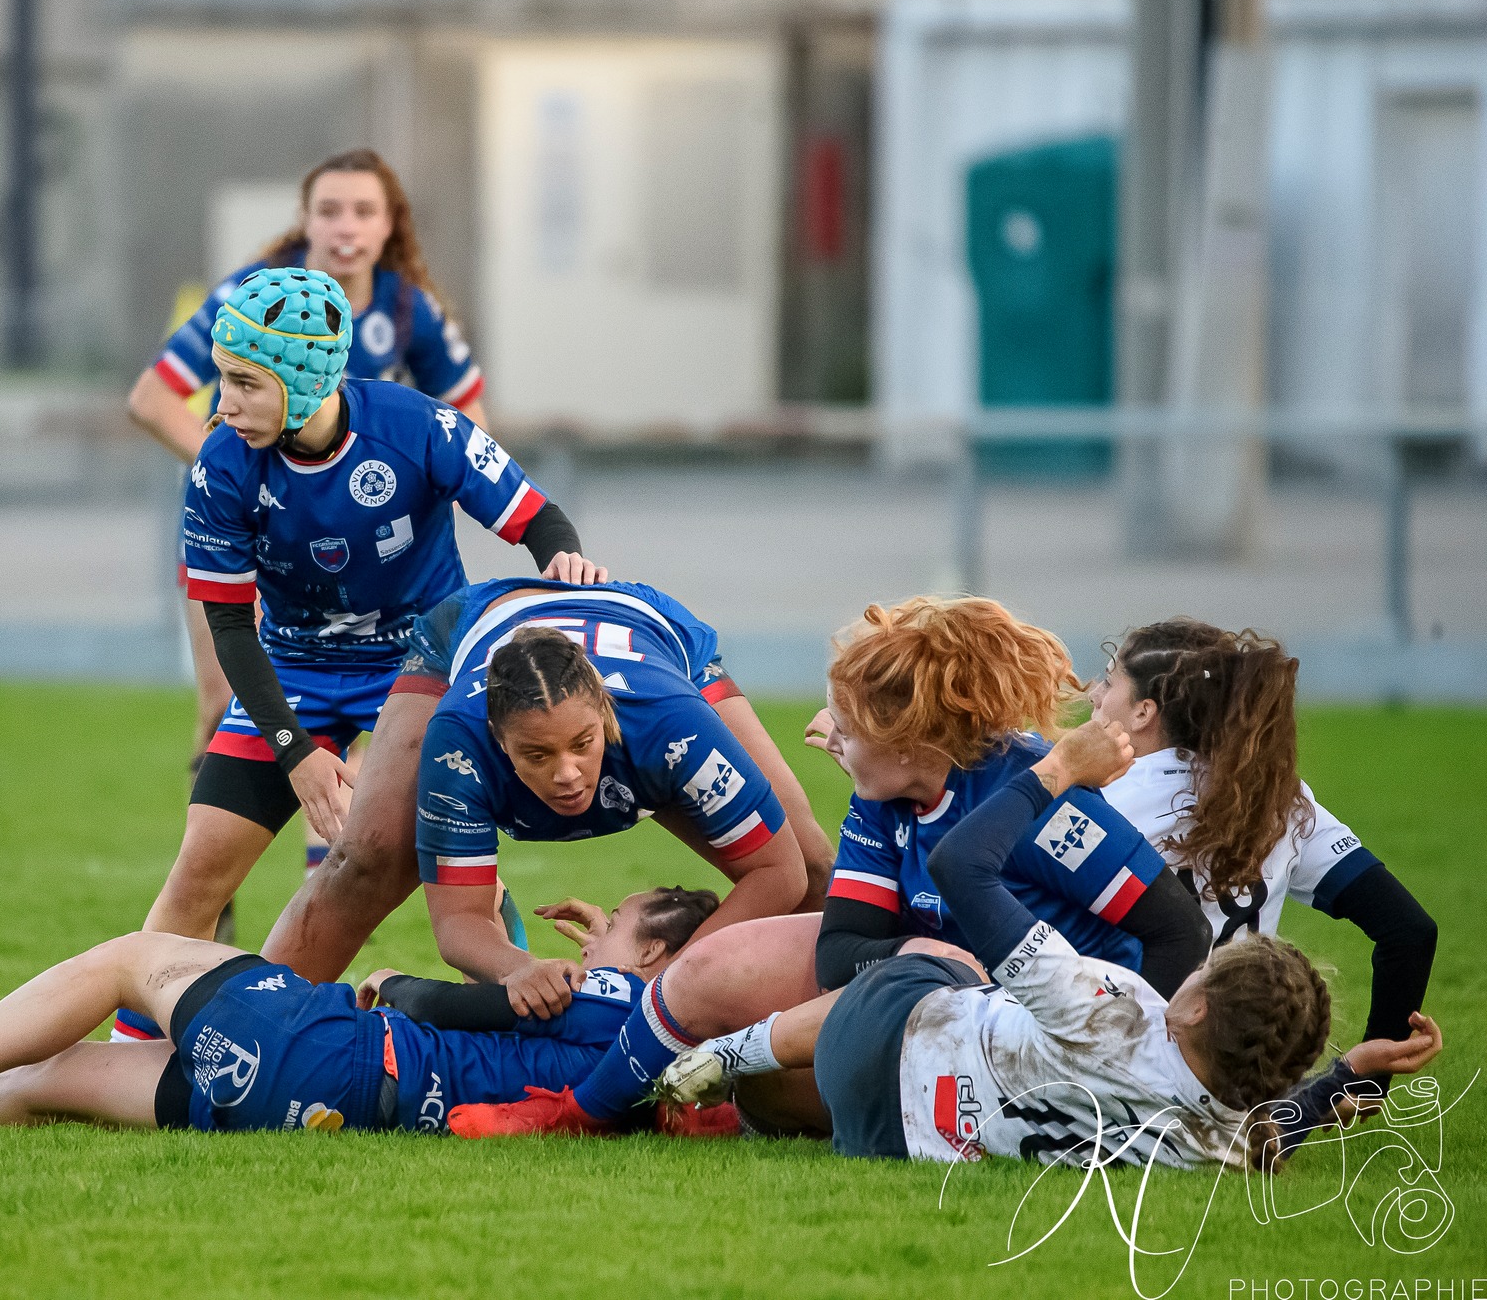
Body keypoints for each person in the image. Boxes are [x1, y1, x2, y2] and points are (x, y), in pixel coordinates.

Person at [448, 595, 1208, 1138]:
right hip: (943, 999)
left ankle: (629, 1097)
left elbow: (1177, 931)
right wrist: (911, 951)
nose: (830, 738)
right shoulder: (885, 796)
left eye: (847, 727)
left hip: (1044, 1040)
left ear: (910, 743)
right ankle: (582, 1113)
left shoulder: (1037, 797)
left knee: (784, 1082)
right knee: (717, 984)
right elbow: (842, 948)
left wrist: (1129, 1063)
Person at [108, 265, 600, 1042]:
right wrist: (295, 751)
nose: (222, 403)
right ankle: (128, 1059)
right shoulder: (221, 462)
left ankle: (523, 1030)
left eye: (244, 383)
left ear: (306, 383)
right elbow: (231, 628)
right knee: (197, 874)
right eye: (221, 380)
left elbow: (539, 518)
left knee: (462, 871)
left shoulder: (419, 427)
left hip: (420, 667)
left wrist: (564, 564)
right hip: (292, 669)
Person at [645, 721, 1443, 1168]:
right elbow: (1271, 1132)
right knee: (779, 1096)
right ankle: (742, 1107)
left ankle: (726, 1055)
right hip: (892, 1137)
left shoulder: (1108, 1007)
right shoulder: (1215, 1139)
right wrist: (1343, 1077)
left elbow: (961, 865)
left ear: (1194, 1005)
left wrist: (1054, 768)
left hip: (878, 1042)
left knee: (941, 963)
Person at [0, 887, 736, 1137]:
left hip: (332, 1047)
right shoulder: (660, 1069)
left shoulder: (628, 995)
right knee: (49, 1077)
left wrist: (392, 984)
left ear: (655, 956)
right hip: (324, 1111)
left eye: (614, 926)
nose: (594, 940)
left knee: (129, 958)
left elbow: (445, 1000)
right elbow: (516, 1031)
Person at [126, 148, 487, 792]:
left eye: (364, 211)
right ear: (306, 220)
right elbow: (151, 400)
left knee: (356, 723)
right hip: (244, 538)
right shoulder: (253, 296)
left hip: (359, 547)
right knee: (227, 709)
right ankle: (217, 857)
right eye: (330, 210)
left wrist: (419, 498)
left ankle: (333, 855)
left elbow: (469, 421)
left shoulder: (409, 309)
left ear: (389, 225)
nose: (346, 226)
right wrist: (234, 480)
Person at [393, 579, 829, 1020]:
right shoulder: (459, 743)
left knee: (811, 863)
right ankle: (340, 1022)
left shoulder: (673, 724)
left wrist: (672, 983)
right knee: (374, 850)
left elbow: (780, 873)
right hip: (470, 622)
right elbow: (457, 922)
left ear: (602, 714)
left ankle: (828, 1038)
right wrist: (519, 968)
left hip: (651, 632)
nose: (567, 774)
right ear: (499, 741)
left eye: (582, 744)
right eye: (538, 755)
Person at [1091, 620, 1439, 1157]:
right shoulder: (1278, 799)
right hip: (1238, 1070)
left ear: (1144, 712)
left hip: (1115, 1065)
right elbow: (1409, 930)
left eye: (1109, 680)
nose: (1094, 693)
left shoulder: (1102, 800)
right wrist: (1370, 1083)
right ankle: (1303, 1104)